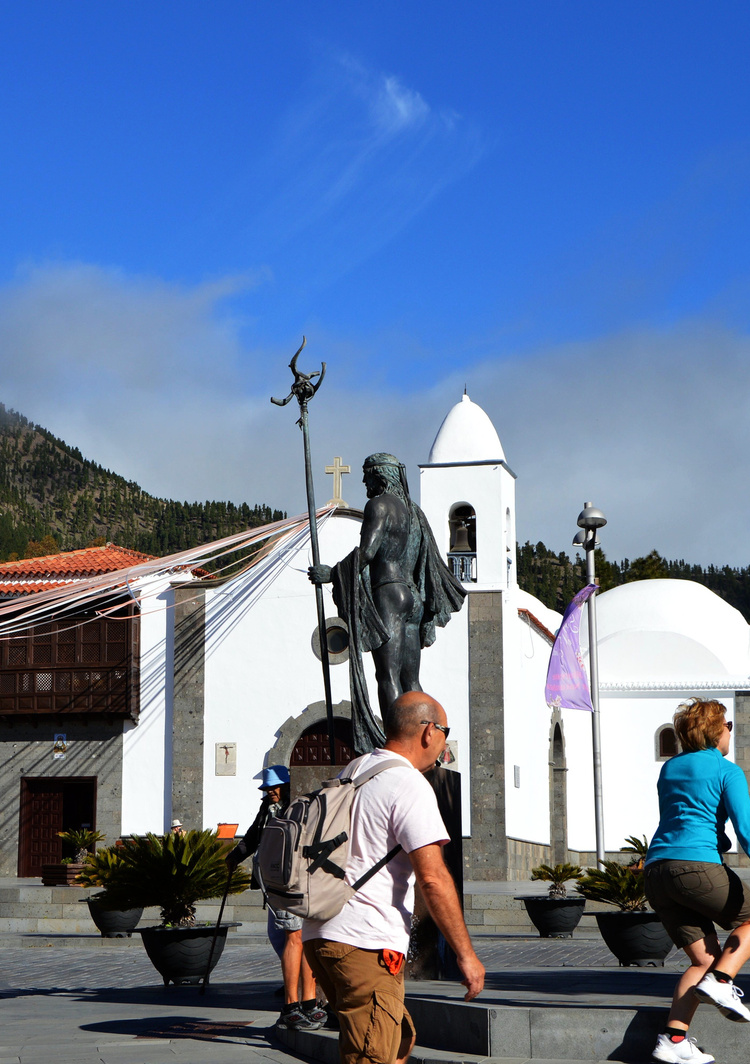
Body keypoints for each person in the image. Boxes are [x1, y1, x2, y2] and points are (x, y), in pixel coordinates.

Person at [302, 692, 484, 1064]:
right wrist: (466, 955)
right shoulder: (408, 784)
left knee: (393, 1040)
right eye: (445, 731)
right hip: (364, 942)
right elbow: (433, 878)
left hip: (321, 934)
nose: (444, 741)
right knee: (372, 1055)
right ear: (429, 731)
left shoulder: (353, 771)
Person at [642, 700, 750, 1064]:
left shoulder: (670, 769)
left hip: (657, 872)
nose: (731, 731)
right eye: (728, 725)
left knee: (703, 959)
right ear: (715, 730)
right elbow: (748, 831)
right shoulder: (727, 771)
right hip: (695, 867)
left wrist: (717, 838)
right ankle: (723, 983)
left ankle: (674, 1039)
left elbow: (686, 817)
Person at [310, 453, 465, 752]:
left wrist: (332, 574)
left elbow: (367, 553)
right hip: (413, 598)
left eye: (367, 476)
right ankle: (425, 741)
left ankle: (397, 743)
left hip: (388, 592)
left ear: (379, 477)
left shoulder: (378, 506)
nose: (364, 482)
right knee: (412, 679)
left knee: (388, 674)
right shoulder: (414, 512)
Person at [226, 765, 324, 1032]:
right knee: (286, 937)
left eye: (275, 787)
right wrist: (235, 856)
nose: (270, 791)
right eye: (267, 788)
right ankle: (306, 998)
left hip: (290, 881)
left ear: (287, 786)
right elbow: (254, 835)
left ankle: (296, 1003)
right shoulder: (268, 809)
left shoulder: (292, 808)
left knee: (294, 938)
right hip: (280, 884)